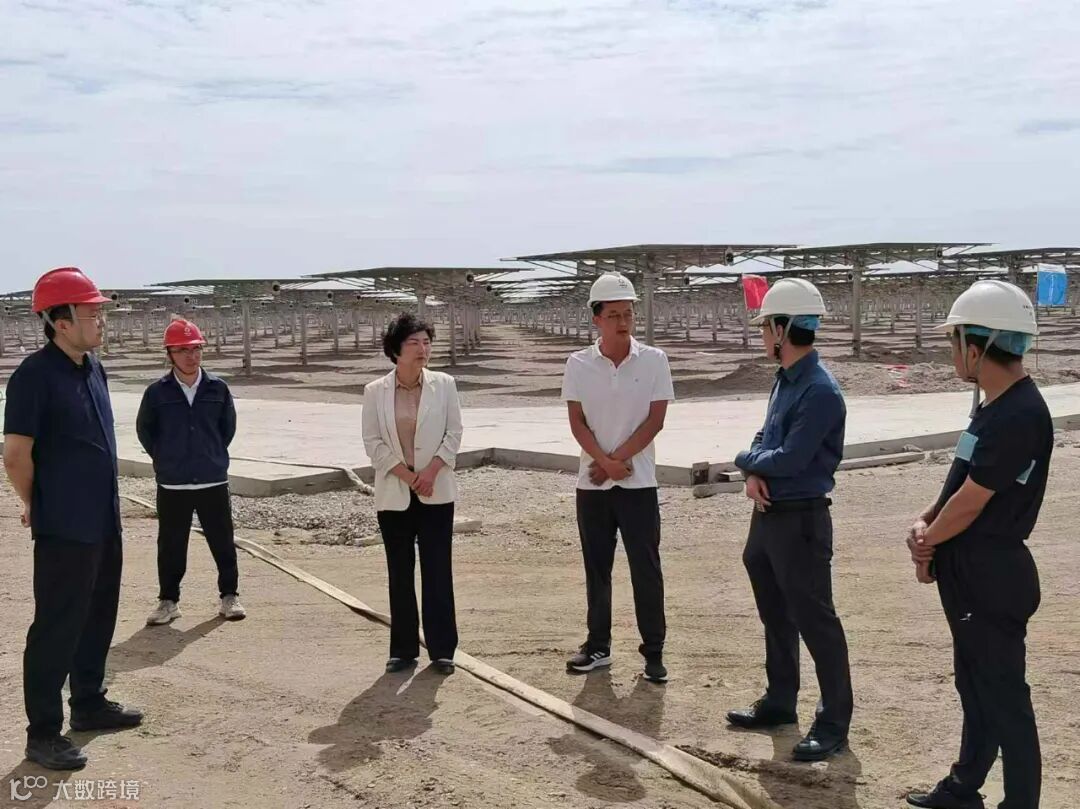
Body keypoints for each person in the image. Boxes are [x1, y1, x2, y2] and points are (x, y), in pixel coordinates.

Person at [904, 280, 1050, 809]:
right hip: (970, 564)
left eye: (955, 339)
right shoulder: (994, 407)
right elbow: (959, 481)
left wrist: (928, 542)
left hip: (992, 571)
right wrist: (926, 522)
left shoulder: (1020, 413)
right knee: (976, 685)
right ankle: (964, 786)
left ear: (978, 345)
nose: (952, 350)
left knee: (1005, 696)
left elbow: (972, 501)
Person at [2, 267, 143, 771]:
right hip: (64, 525)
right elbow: (15, 455)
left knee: (99, 612)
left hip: (103, 518)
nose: (101, 320)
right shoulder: (34, 376)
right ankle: (43, 732)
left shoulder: (93, 367)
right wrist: (36, 502)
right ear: (60, 323)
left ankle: (88, 702)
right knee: (57, 625)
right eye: (91, 313)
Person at [727, 277, 853, 762]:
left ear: (782, 329)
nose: (762, 335)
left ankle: (833, 722)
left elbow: (792, 458)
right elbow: (766, 439)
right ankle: (780, 700)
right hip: (769, 516)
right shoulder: (785, 380)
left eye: (765, 327)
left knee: (815, 620)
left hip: (800, 520)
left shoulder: (820, 391)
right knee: (776, 614)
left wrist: (745, 462)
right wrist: (754, 472)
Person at [560, 272, 675, 684]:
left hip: (637, 483)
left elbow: (655, 420)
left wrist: (617, 461)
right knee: (597, 569)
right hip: (592, 485)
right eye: (613, 315)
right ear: (596, 319)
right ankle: (598, 646)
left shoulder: (654, 360)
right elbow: (576, 421)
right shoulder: (578, 364)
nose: (623, 322)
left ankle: (654, 651)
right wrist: (603, 463)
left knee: (646, 568)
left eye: (628, 314)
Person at [361, 312, 463, 676]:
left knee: (438, 570)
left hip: (436, 490)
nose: (423, 349)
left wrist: (431, 471)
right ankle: (403, 650)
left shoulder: (445, 385)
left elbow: (454, 433)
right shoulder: (375, 392)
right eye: (414, 342)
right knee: (400, 573)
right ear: (395, 349)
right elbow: (372, 442)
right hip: (395, 493)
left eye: (427, 342)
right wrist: (406, 475)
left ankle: (443, 650)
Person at [136, 318, 244, 625]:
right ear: (169, 354)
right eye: (182, 350)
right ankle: (168, 601)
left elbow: (226, 429)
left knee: (223, 541)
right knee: (171, 544)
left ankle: (229, 596)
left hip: (212, 480)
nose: (191, 356)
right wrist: (166, 458)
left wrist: (210, 454)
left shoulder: (218, 389)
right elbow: (146, 431)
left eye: (195, 349)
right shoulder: (156, 393)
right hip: (173, 483)